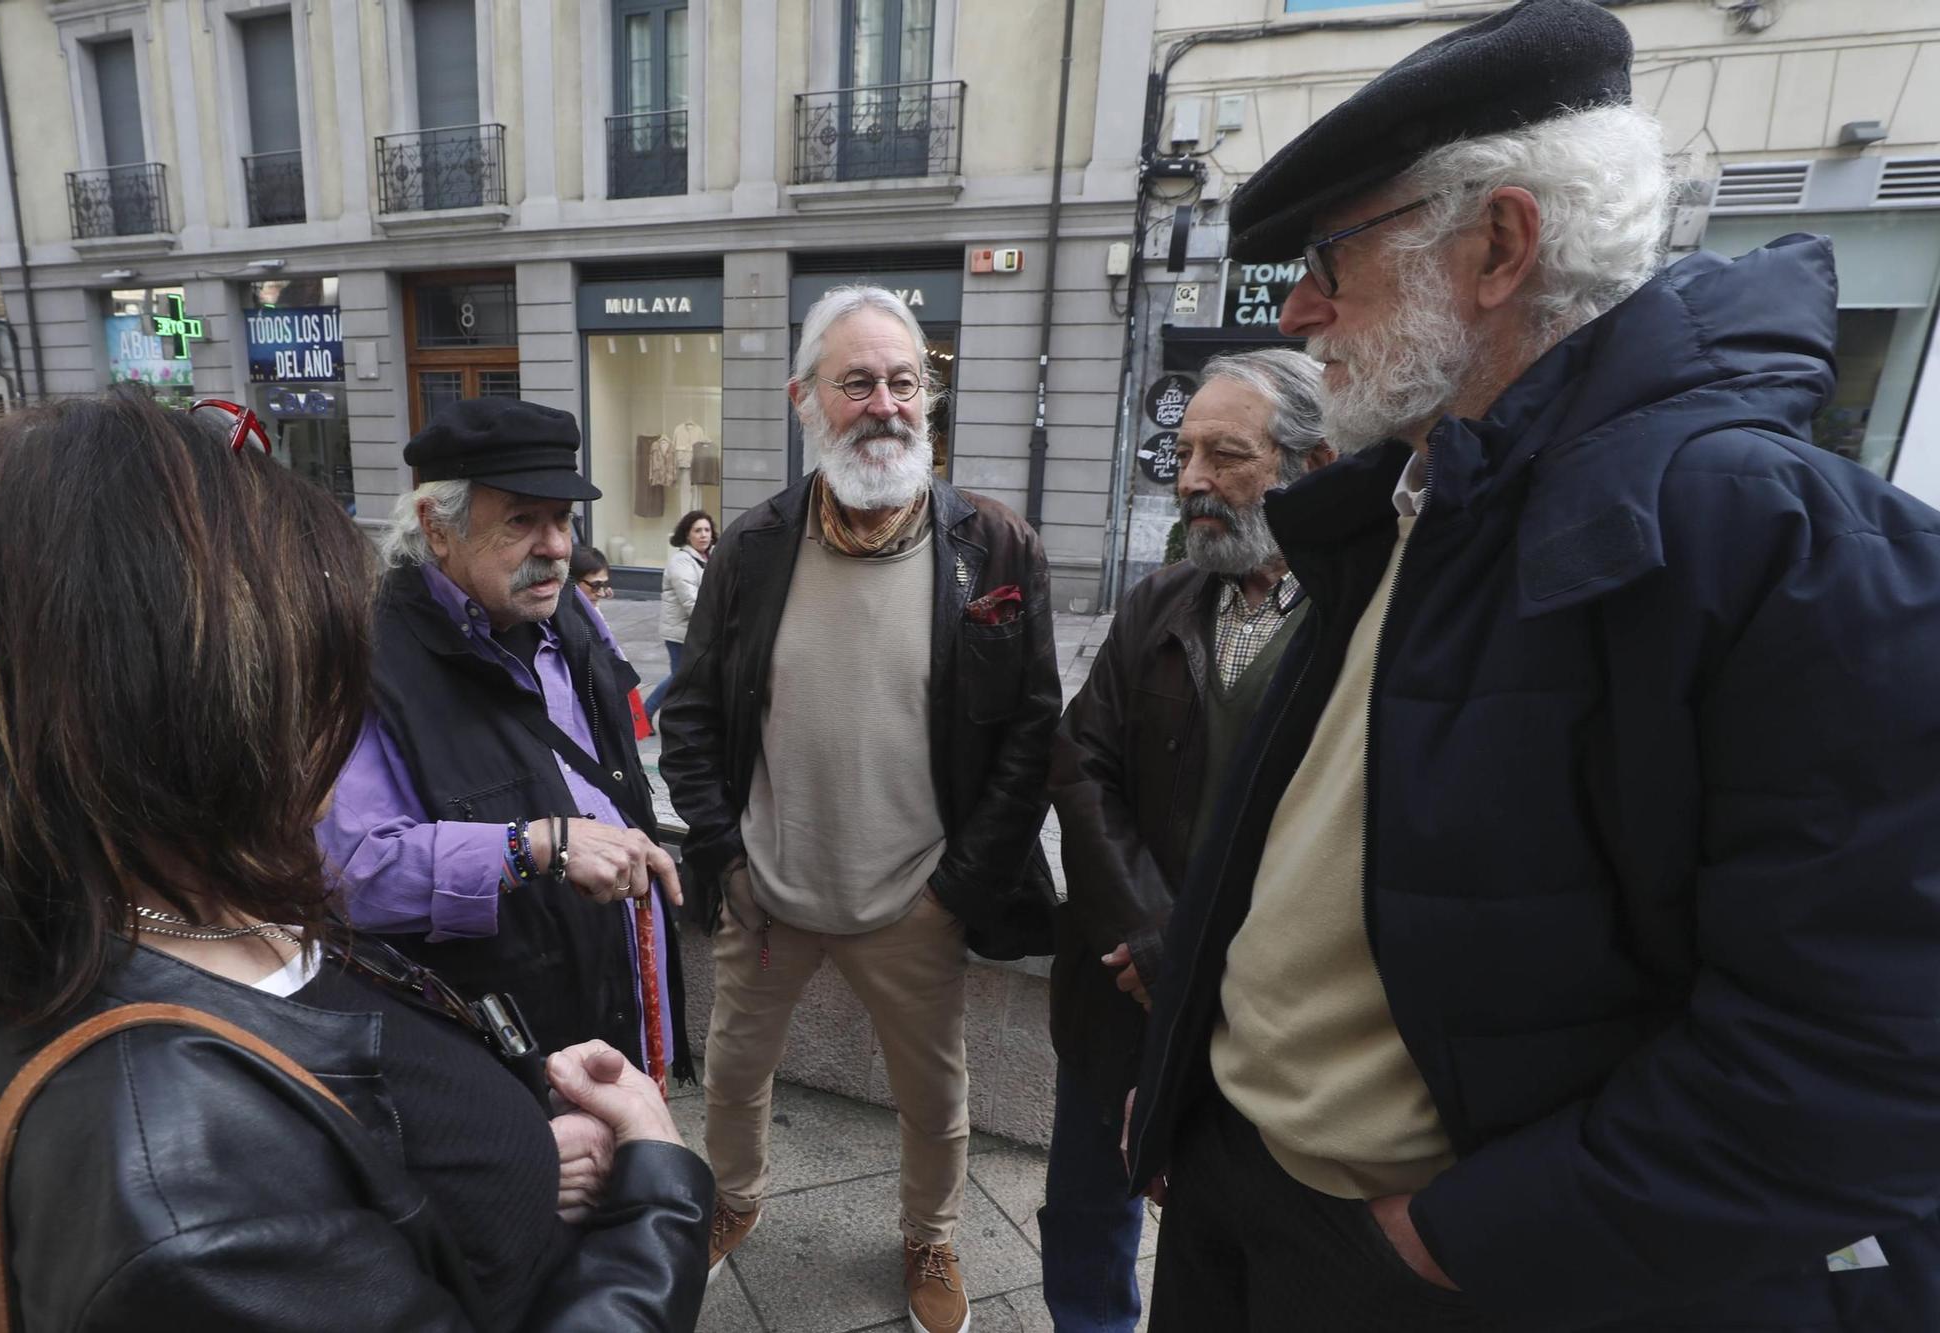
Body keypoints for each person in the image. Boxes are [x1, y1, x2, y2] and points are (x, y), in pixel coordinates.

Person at [1126, 2, 1940, 1330]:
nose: (1301, 307)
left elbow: (1868, 1060)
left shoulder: (1779, 544)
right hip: (1246, 1190)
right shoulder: (1412, 494)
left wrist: (1452, 1241)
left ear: (1501, 245)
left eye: (1336, 254)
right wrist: (1184, 1100)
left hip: (1445, 1267)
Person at [0, 392, 713, 1332]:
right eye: (318, 668)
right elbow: (360, 881)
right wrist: (659, 1201)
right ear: (180, 706)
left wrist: (529, 1148)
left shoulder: (181, 908)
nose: (338, 721)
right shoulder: (182, 1188)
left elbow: (373, 1133)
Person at [660, 285, 1061, 1333]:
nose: (885, 403)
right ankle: (732, 1204)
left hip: (913, 898)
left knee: (935, 1096)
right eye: (856, 383)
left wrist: (958, 889)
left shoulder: (993, 546)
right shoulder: (750, 547)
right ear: (806, 401)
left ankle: (929, 1233)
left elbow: (1031, 731)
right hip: (769, 892)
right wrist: (726, 856)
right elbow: (691, 714)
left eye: (902, 380)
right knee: (735, 1071)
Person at [1041, 349, 1331, 1332]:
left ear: (1309, 464)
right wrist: (1146, 934)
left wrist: (1197, 955)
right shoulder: (1159, 599)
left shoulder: (1357, 621)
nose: (1193, 477)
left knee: (1228, 1240)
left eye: (1226, 454)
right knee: (1086, 1205)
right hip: (1119, 987)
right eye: (1183, 450)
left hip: (1266, 1016)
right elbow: (1081, 763)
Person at [318, 397, 692, 1067]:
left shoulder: (573, 613)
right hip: (493, 1051)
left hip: (617, 1009)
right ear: (437, 526)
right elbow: (351, 876)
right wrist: (535, 845)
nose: (555, 547)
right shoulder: (369, 656)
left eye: (562, 519)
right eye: (522, 519)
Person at [644, 510, 713, 716]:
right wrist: (715, 621)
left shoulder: (708, 557)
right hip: (680, 632)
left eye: (707, 530)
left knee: (689, 676)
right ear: (687, 535)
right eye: (697, 530)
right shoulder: (681, 561)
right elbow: (691, 601)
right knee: (679, 677)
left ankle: (679, 713)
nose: (703, 535)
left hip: (695, 630)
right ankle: (645, 712)